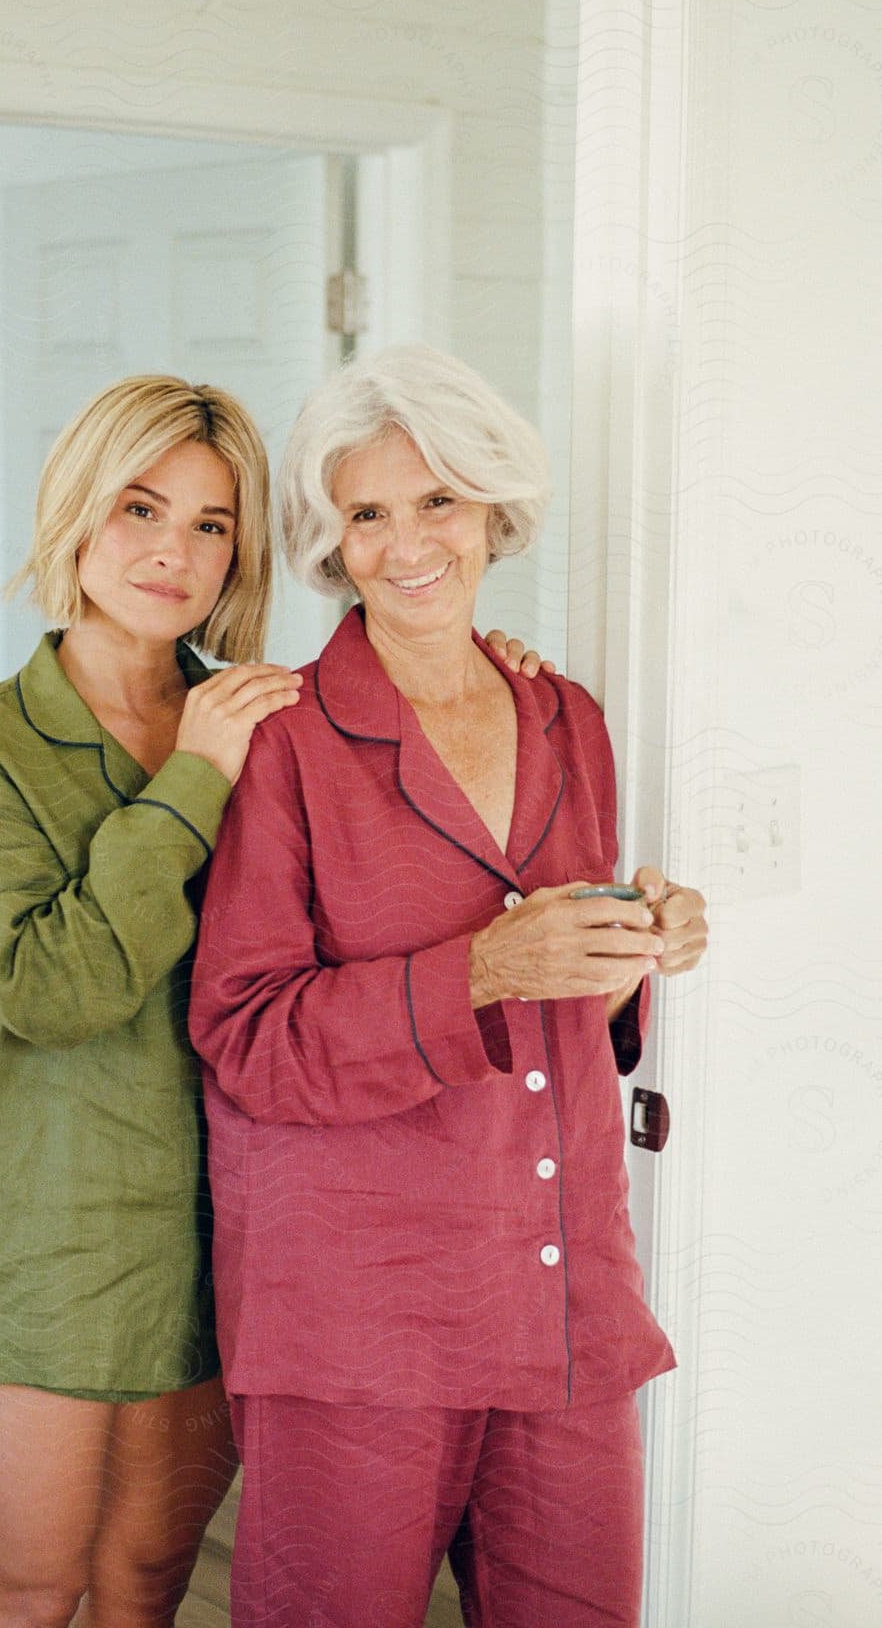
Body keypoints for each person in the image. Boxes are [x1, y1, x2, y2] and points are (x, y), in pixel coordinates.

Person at [0, 370, 547, 1628]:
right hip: (48, 1231)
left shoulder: (281, 721)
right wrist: (191, 780)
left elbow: (378, 912)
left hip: (236, 1230)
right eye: (141, 509)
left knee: (149, 1583)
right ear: (78, 513)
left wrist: (482, 664)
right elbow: (54, 986)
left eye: (212, 525)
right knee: (31, 1587)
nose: (173, 551)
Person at [188, 343, 709, 1628]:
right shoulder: (282, 742)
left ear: (492, 510)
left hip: (563, 1289)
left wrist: (643, 941)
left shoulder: (566, 715)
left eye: (440, 501)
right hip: (356, 1309)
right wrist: (482, 964)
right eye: (368, 513)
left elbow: (578, 1011)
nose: (410, 542)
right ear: (330, 540)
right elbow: (245, 1039)